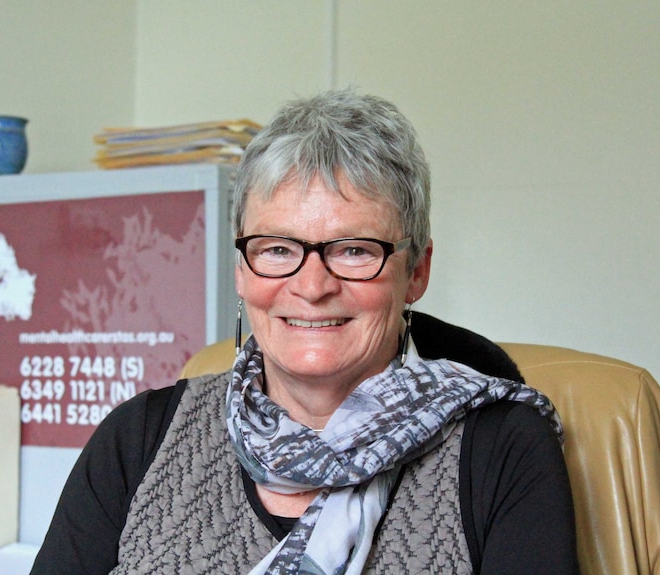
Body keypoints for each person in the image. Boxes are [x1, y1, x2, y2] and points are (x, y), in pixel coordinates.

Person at [31, 89, 579, 574]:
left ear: (416, 272)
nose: (312, 285)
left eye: (354, 250)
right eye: (277, 249)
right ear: (242, 270)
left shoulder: (500, 448)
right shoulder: (137, 439)